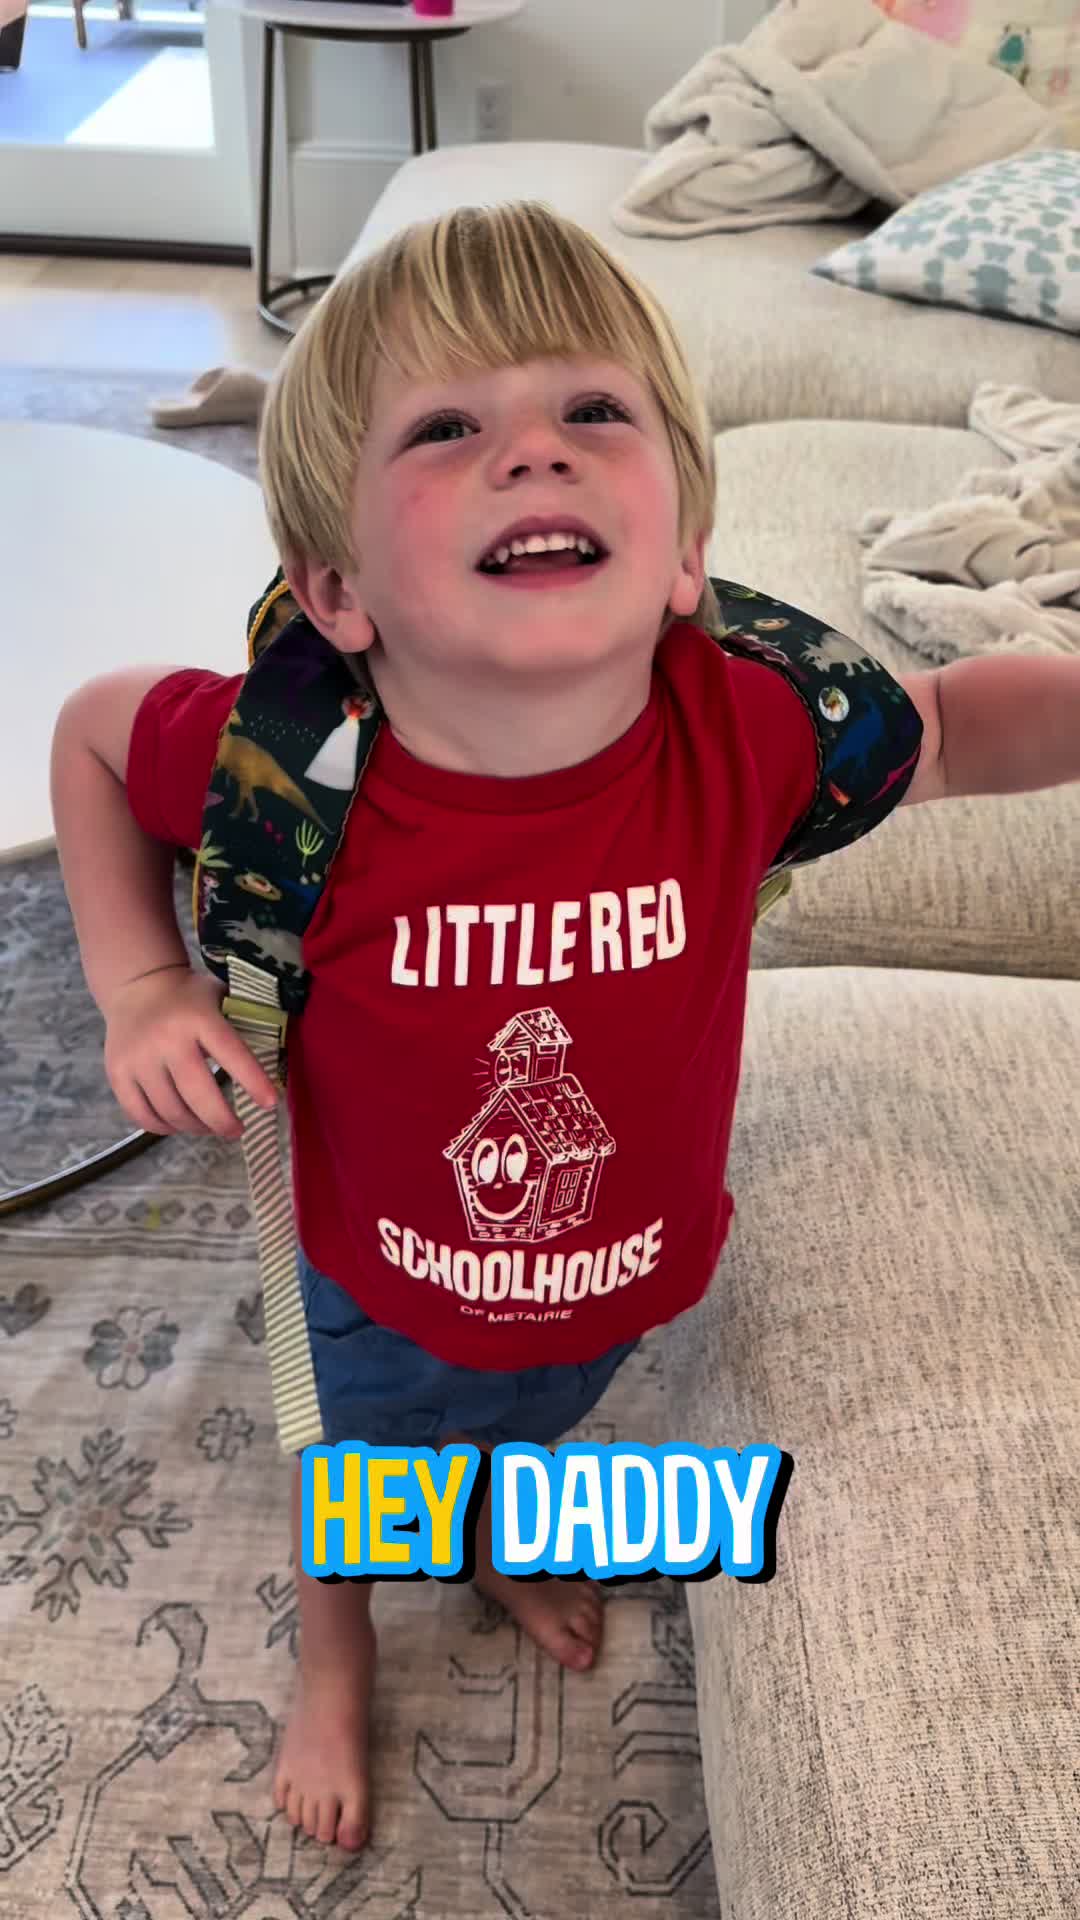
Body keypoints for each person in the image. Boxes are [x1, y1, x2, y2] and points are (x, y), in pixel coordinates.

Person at [50, 202, 1080, 1857]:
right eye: (446, 430)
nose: (536, 452)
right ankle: (334, 1648)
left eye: (594, 410)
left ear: (683, 555)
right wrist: (142, 986)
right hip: (371, 1270)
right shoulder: (294, 769)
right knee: (357, 1480)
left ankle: (489, 1533)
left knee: (532, 1428)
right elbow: (97, 738)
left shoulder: (744, 733)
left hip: (622, 1269)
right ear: (338, 588)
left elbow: (950, 734)